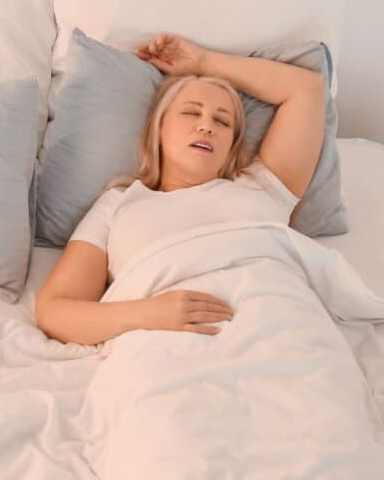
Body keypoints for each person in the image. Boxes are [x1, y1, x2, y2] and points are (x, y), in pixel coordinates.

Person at [35, 33, 326, 346]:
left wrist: (204, 61)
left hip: (279, 329)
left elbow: (307, 90)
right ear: (159, 128)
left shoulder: (263, 186)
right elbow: (55, 311)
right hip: (167, 346)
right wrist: (149, 315)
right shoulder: (118, 204)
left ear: (231, 147)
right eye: (191, 112)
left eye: (223, 121)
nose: (206, 126)